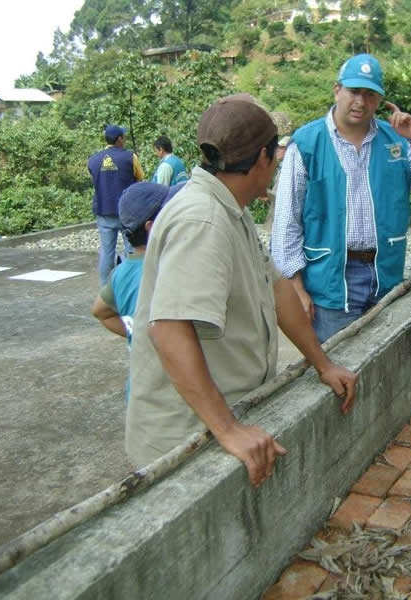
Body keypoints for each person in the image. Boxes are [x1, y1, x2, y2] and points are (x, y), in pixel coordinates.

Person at [125, 96, 357, 486]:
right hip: (187, 433)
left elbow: (278, 289)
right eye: (276, 155)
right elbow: (169, 329)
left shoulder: (232, 207)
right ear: (263, 157)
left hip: (226, 413)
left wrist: (323, 363)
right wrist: (229, 429)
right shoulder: (203, 220)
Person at [271, 53, 411, 343]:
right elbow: (286, 221)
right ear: (337, 90)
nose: (361, 102)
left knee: (387, 358)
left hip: (386, 272)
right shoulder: (306, 143)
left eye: (370, 94)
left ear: (379, 100)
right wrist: (297, 288)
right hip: (330, 280)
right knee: (337, 361)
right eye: (354, 91)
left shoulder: (395, 139)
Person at [91, 181, 184, 403]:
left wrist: (137, 334)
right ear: (152, 227)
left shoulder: (121, 273)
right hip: (174, 398)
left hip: (140, 394)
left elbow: (101, 312)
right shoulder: (168, 271)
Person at [88, 124, 145, 286]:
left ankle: (105, 287)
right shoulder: (130, 157)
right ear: (119, 139)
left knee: (107, 252)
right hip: (127, 212)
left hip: (103, 212)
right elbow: (140, 178)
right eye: (123, 137)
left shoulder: (93, 160)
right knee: (131, 250)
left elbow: (95, 180)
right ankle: (129, 285)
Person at [264, 134, 290, 237]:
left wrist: (264, 192)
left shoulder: (288, 170)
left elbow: (284, 198)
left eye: (282, 147)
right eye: (278, 147)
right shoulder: (281, 168)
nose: (278, 150)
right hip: (275, 222)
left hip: (280, 224)